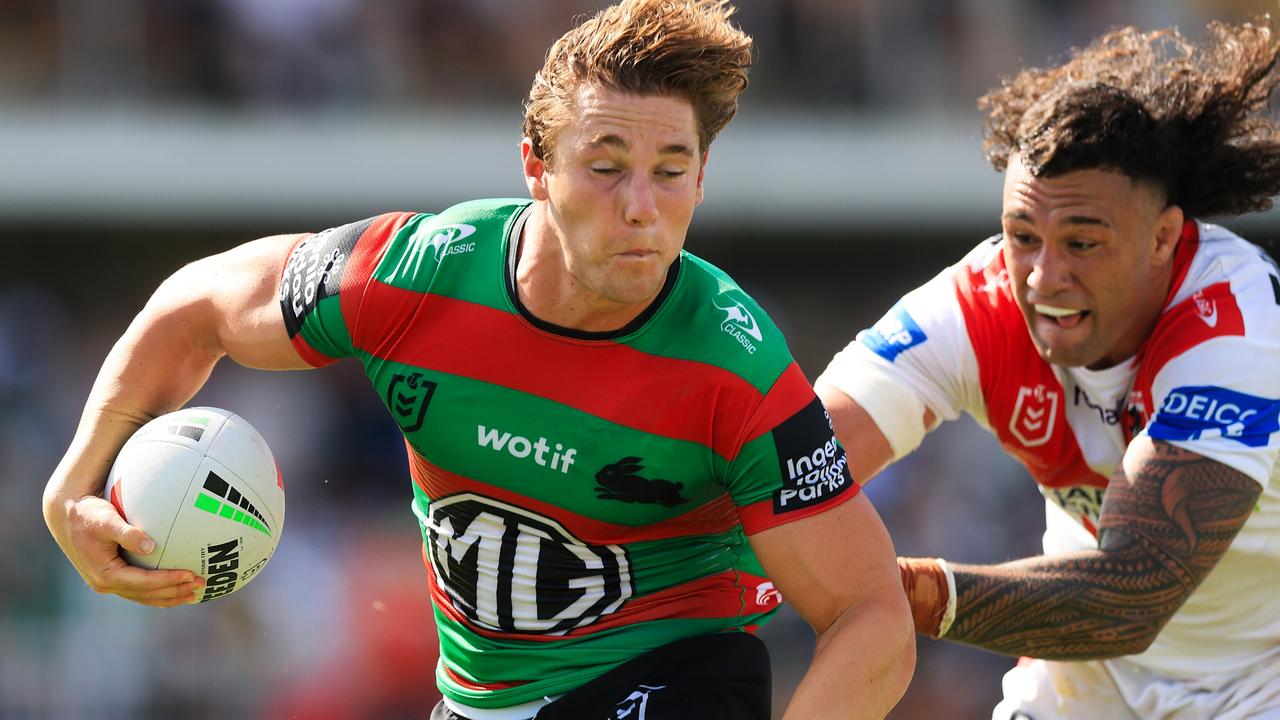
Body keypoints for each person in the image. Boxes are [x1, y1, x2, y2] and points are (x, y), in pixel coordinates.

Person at [41, 1, 914, 718]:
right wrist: (72, 483)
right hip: (476, 702)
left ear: (702, 175)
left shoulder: (736, 362)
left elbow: (870, 615)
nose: (642, 207)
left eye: (671, 169)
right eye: (605, 167)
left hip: (674, 682)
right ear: (537, 164)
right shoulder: (416, 275)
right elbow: (196, 308)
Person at [817, 20, 1280, 720]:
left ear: (1163, 238)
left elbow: (1131, 595)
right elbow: (803, 462)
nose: (1044, 276)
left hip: (1257, 682)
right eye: (1023, 237)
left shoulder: (1235, 331)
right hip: (1084, 682)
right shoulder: (978, 302)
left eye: (1082, 243)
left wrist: (899, 591)